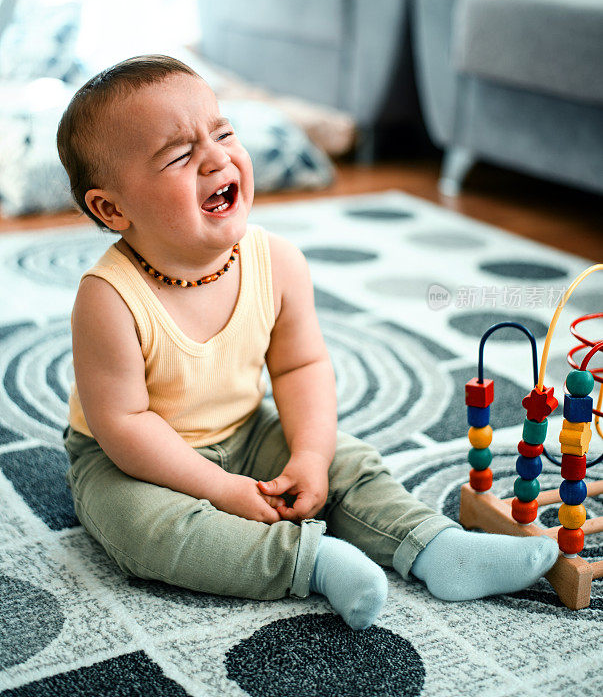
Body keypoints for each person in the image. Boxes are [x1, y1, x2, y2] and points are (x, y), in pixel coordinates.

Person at [57, 54, 558, 631]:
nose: (217, 158)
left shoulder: (276, 262)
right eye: (179, 155)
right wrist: (219, 489)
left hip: (244, 430)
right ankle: (312, 563)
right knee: (141, 529)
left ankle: (436, 548)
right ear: (111, 207)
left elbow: (300, 367)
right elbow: (125, 424)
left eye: (222, 133)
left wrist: (311, 458)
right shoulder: (107, 298)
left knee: (350, 460)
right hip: (129, 461)